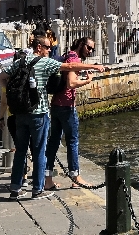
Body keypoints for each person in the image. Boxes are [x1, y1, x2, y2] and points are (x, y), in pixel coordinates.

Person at [0, 33, 94, 199]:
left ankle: (15, 188)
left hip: (20, 113)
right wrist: (95, 68)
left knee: (20, 151)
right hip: (39, 112)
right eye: (48, 47)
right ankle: (38, 189)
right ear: (39, 47)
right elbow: (69, 67)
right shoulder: (44, 62)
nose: (51, 50)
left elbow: (1, 78)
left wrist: (17, 93)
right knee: (39, 150)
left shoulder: (20, 61)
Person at [43, 38, 106, 191]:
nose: (89, 51)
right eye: (88, 48)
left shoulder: (67, 55)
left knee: (53, 142)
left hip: (56, 105)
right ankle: (75, 177)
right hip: (67, 106)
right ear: (80, 45)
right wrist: (87, 80)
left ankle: (47, 179)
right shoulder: (74, 58)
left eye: (92, 49)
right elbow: (71, 83)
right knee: (72, 141)